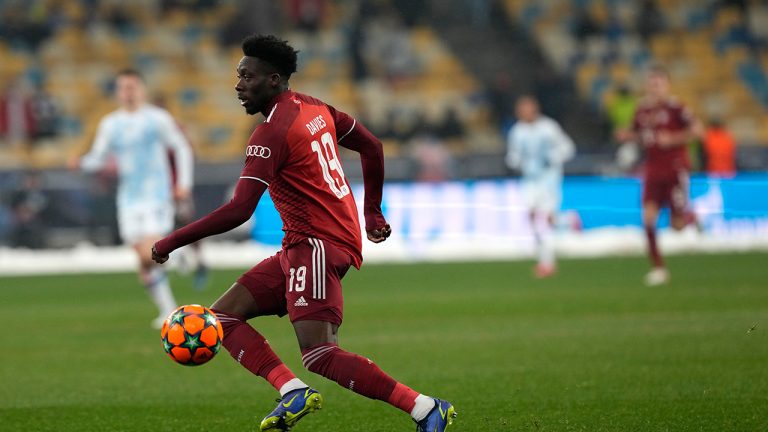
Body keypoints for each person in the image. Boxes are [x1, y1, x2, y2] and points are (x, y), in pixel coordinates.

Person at [151, 34, 456, 432]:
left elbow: (240, 210)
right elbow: (373, 147)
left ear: (274, 79)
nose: (239, 85)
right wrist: (372, 212)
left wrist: (170, 241)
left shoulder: (270, 134)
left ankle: (425, 408)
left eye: (248, 76)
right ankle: (292, 391)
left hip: (315, 244)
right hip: (314, 242)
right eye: (238, 75)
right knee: (221, 318)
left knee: (320, 354)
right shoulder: (314, 107)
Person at [70, 69, 193, 327]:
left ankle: (174, 255)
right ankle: (169, 302)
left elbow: (180, 147)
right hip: (128, 199)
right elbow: (99, 158)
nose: (128, 92)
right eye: (123, 87)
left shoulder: (156, 119)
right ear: (117, 92)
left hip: (156, 195)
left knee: (150, 250)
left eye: (132, 87)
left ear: (142, 89)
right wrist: (81, 163)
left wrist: (183, 183)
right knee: (143, 261)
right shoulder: (110, 124)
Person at [617, 65, 701, 286]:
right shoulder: (642, 110)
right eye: (651, 83)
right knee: (648, 218)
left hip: (675, 168)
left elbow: (697, 130)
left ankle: (692, 217)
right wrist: (627, 135)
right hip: (652, 169)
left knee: (677, 226)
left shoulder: (676, 108)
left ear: (667, 85)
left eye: (659, 83)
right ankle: (659, 268)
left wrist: (673, 139)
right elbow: (638, 134)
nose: (654, 88)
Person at [506, 95, 575, 278]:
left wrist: (554, 158)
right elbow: (514, 156)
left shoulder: (549, 127)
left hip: (548, 180)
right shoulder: (517, 131)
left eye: (527, 108)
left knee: (543, 219)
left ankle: (547, 263)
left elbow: (568, 148)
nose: (524, 113)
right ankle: (568, 221)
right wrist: (513, 162)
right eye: (521, 109)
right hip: (529, 181)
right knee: (532, 218)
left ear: (535, 109)